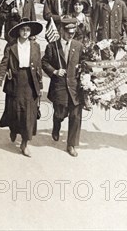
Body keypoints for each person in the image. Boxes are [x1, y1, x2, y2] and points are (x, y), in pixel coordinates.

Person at [0, 20, 44, 157]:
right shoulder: (11, 46)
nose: (25, 32)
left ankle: (25, 143)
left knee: (29, 113)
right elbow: (4, 64)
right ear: (18, 31)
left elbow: (38, 67)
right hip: (15, 81)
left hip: (30, 81)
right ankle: (13, 129)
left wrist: (40, 86)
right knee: (14, 110)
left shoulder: (35, 46)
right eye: (23, 30)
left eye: (28, 30)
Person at [42, 18, 85, 157]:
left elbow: (85, 62)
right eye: (68, 32)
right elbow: (44, 62)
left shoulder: (78, 46)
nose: (70, 35)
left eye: (72, 33)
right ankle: (56, 125)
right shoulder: (52, 46)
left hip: (75, 87)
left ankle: (71, 144)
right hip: (59, 86)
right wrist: (54, 71)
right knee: (60, 113)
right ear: (61, 31)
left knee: (76, 116)